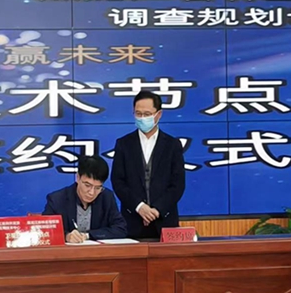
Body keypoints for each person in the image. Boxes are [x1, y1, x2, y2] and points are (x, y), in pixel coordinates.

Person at [111, 91, 185, 239]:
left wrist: (156, 210)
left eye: (147, 114)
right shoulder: (124, 144)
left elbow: (178, 184)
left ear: (159, 114)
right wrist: (139, 207)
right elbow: (118, 181)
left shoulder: (172, 145)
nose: (142, 118)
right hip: (132, 222)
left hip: (165, 221)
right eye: (138, 114)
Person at [42, 155, 127, 243]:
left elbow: (121, 228)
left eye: (98, 188)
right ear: (78, 178)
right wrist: (66, 236)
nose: (91, 192)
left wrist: (88, 235)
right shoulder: (57, 199)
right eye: (87, 185)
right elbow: (45, 231)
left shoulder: (107, 197)